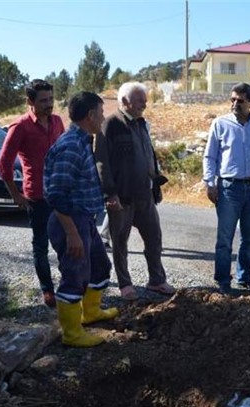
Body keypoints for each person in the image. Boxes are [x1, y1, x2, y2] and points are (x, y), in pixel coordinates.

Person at [44, 91, 118, 348]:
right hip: (70, 222)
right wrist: (72, 232)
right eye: (101, 113)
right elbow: (56, 194)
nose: (103, 117)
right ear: (90, 115)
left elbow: (78, 184)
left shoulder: (84, 140)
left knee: (99, 266)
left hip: (84, 219)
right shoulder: (71, 146)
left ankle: (91, 313)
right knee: (74, 275)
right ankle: (72, 333)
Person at [94, 82, 175, 300]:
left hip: (145, 195)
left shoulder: (141, 123)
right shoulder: (109, 125)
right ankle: (125, 284)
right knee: (120, 242)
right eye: (141, 100)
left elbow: (149, 155)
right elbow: (102, 162)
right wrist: (110, 194)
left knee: (154, 237)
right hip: (122, 197)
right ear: (125, 101)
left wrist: (156, 183)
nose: (145, 104)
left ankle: (156, 280)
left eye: (145, 100)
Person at [0, 79, 65, 308]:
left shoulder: (57, 122)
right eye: (43, 101)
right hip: (37, 197)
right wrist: (16, 195)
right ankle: (48, 290)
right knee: (41, 245)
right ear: (30, 101)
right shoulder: (20, 127)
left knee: (66, 242)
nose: (49, 105)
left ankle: (68, 285)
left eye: (51, 99)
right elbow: (4, 164)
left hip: (60, 194)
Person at [203, 83, 250, 295]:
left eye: (240, 101)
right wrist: (209, 182)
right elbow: (210, 156)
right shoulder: (220, 124)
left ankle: (245, 277)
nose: (235, 104)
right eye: (232, 99)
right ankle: (223, 280)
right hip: (228, 188)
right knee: (225, 239)